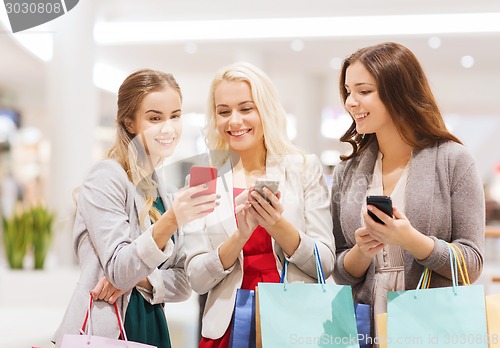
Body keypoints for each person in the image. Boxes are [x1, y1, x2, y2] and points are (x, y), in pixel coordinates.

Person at [53, 69, 219, 348]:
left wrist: (142, 280)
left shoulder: (160, 191)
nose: (168, 128)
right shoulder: (107, 176)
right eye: (155, 118)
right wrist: (172, 219)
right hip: (106, 331)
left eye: (175, 116)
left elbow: (182, 283)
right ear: (130, 122)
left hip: (150, 327)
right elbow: (119, 269)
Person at [330, 42, 484, 342]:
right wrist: (361, 252)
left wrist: (409, 239)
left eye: (364, 91)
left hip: (433, 323)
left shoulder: (453, 160)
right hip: (363, 324)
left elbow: (472, 262)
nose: (351, 102)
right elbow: (339, 268)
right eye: (348, 91)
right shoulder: (347, 172)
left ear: (397, 92)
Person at [182, 62, 335, 347]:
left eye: (246, 108)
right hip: (226, 329)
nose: (235, 121)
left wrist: (277, 225)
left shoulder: (302, 168)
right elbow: (197, 279)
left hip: (294, 322)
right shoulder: (204, 178)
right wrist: (240, 236)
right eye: (224, 111)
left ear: (265, 110)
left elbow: (324, 262)